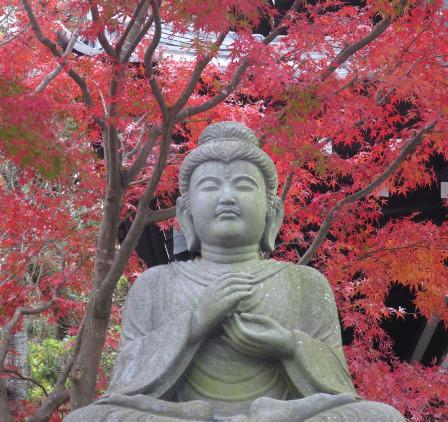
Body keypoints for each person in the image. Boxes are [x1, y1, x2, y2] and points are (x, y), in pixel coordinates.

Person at [65, 122, 404, 421]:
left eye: (243, 186)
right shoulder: (155, 285)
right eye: (211, 187)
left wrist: (289, 345)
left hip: (280, 415)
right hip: (183, 415)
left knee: (379, 417)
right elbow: (126, 382)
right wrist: (195, 323)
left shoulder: (306, 284)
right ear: (186, 212)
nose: (227, 197)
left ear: (272, 211)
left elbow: (339, 388)